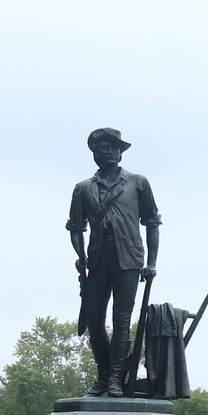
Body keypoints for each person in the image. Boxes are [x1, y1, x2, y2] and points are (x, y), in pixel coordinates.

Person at [67, 127, 159, 395]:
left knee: (122, 319)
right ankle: (103, 375)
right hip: (96, 262)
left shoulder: (138, 183)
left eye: (115, 147)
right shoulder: (82, 189)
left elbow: (152, 222)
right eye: (105, 148)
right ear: (95, 154)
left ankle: (116, 379)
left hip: (128, 259)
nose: (111, 152)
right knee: (94, 320)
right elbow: (76, 227)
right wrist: (81, 257)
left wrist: (151, 262)